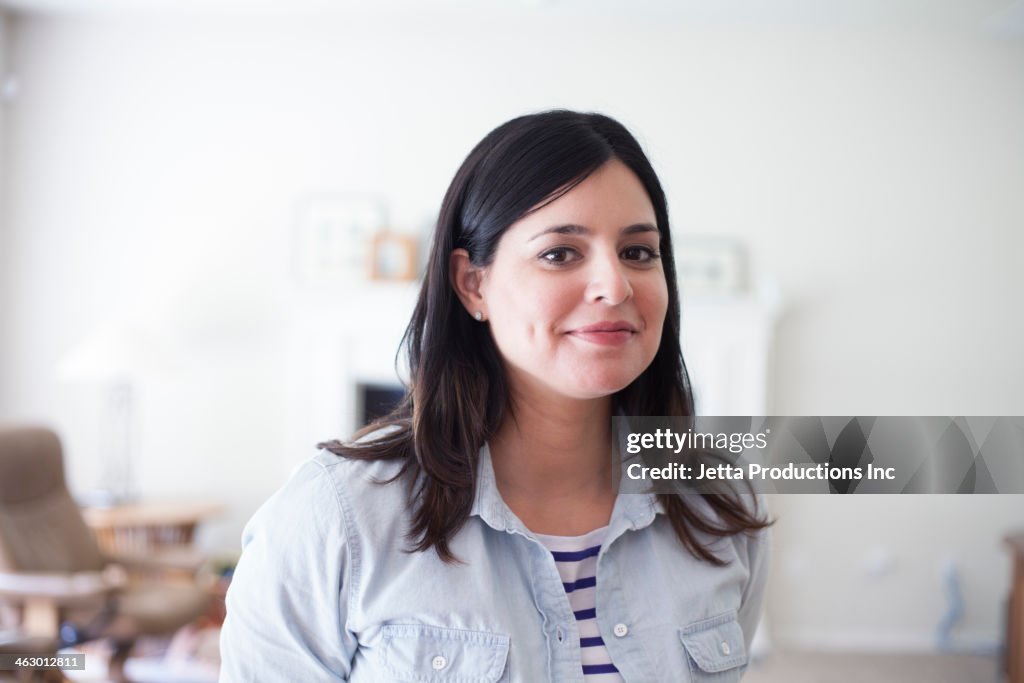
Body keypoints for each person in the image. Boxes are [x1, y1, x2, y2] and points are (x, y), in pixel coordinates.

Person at [220, 110, 771, 682]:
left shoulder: (722, 503)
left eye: (638, 252)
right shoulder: (332, 516)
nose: (615, 285)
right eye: (560, 252)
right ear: (472, 283)